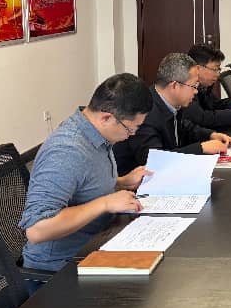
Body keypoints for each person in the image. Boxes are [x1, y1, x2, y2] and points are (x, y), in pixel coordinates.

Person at [19, 73, 155, 272]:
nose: (131, 135)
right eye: (130, 129)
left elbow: (83, 184)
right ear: (106, 117)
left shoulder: (96, 133)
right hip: (60, 268)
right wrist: (105, 203)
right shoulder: (67, 152)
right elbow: (37, 229)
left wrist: (121, 182)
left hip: (99, 241)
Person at [113, 53, 231, 176]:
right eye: (194, 85)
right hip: (137, 183)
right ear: (175, 86)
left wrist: (211, 135)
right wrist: (201, 148)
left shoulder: (172, 102)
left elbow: (185, 127)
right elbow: (154, 160)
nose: (196, 91)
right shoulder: (144, 113)